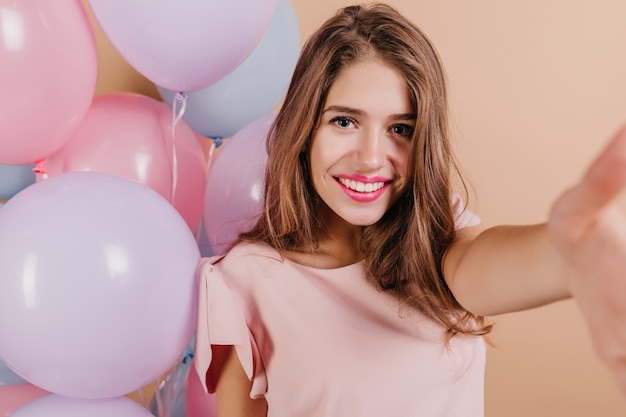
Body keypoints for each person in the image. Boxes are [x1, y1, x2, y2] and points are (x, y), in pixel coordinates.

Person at [193, 3, 626, 416]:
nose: (371, 157)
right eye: (345, 121)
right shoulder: (244, 280)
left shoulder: (442, 246)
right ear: (304, 129)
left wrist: (571, 253)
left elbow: (492, 268)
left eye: (400, 129)